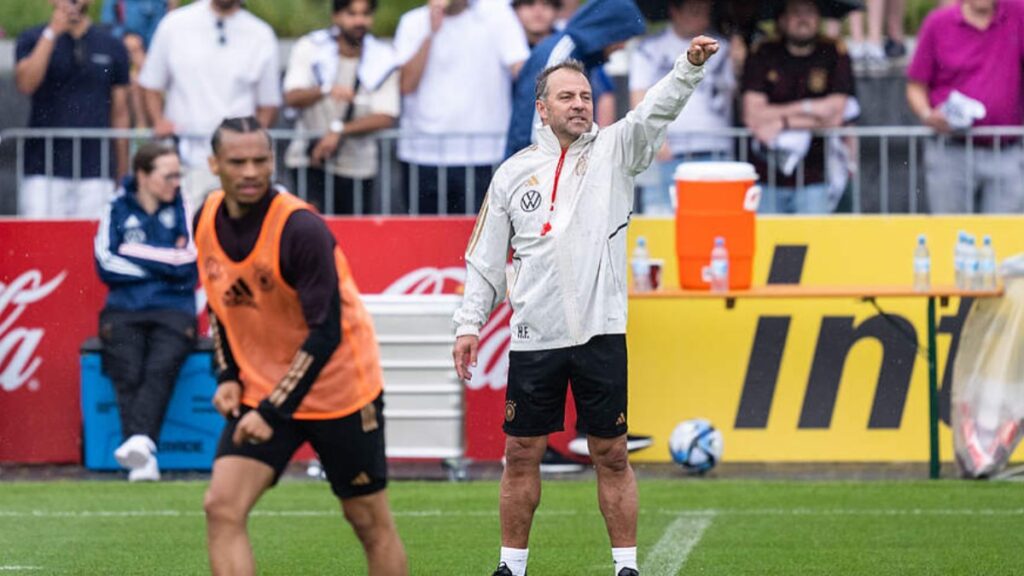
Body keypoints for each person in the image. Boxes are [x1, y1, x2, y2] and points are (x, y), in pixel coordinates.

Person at [452, 37, 720, 576]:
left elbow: (656, 109)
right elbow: (484, 259)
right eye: (567, 96)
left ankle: (626, 566)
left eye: (585, 95)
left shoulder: (617, 150)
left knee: (612, 454)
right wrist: (469, 324)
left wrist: (687, 68)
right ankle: (511, 566)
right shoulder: (511, 174)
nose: (579, 103)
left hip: (601, 333)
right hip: (534, 337)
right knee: (521, 454)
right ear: (542, 108)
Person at [193, 117, 407, 576]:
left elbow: (326, 331)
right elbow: (217, 304)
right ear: (214, 164)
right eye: (238, 161)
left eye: (260, 160)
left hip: (340, 391)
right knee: (222, 507)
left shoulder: (300, 228)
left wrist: (270, 412)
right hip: (264, 391)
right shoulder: (205, 217)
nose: (251, 171)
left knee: (368, 521)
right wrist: (228, 375)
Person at [93, 141, 197, 482]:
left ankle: (137, 447)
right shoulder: (117, 207)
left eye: (178, 175)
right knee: (128, 372)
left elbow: (189, 263)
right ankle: (143, 454)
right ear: (143, 175)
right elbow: (106, 263)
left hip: (174, 309)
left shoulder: (185, 205)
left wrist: (133, 251)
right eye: (168, 176)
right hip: (124, 310)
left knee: (160, 368)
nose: (176, 182)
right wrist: (163, 263)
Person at [140, 0, 281, 212]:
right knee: (186, 233)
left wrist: (249, 145)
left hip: (237, 164)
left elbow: (268, 105)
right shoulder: (174, 24)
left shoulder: (261, 33)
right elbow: (150, 84)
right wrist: (159, 121)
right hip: (184, 159)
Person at [394, 0, 529, 214]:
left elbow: (522, 72)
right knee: (425, 241)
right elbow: (406, 85)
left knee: (478, 239)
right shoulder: (412, 22)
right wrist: (430, 32)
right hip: (422, 155)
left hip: (484, 155)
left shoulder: (498, 15)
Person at [906, 0, 1024, 214]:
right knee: (950, 238)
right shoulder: (938, 23)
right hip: (950, 151)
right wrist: (927, 115)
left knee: (1005, 241)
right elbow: (916, 86)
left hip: (1005, 152)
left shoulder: (1018, 15)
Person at [15, 0, 130, 218]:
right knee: (40, 240)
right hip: (43, 167)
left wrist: (122, 172)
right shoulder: (32, 37)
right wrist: (51, 34)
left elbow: (120, 111)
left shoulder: (112, 44)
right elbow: (25, 84)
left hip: (96, 168)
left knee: (90, 243)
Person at [283, 0, 399, 215]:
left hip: (357, 166)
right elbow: (292, 96)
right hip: (309, 160)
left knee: (353, 235)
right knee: (308, 230)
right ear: (336, 16)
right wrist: (325, 90)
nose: (359, 21)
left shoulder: (382, 57)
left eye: (365, 14)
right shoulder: (311, 48)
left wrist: (338, 131)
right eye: (351, 13)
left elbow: (386, 115)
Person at [740, 0, 854, 214]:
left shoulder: (834, 52)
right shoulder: (763, 52)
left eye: (810, 12)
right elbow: (752, 114)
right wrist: (814, 111)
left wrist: (782, 120)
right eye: (796, 12)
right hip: (766, 175)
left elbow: (835, 115)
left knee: (815, 243)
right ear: (782, 19)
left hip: (815, 175)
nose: (803, 18)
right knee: (764, 243)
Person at [630, 0, 735, 214]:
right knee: (664, 224)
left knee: (715, 222)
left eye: (707, 12)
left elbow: (734, 90)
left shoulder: (724, 48)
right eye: (695, 11)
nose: (703, 18)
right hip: (668, 152)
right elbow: (638, 95)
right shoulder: (648, 48)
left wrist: (739, 61)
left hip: (715, 149)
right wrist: (654, 137)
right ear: (674, 11)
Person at [504, 0, 646, 158]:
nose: (622, 46)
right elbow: (536, 124)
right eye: (622, 37)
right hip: (539, 169)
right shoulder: (560, 55)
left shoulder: (578, 55)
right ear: (608, 29)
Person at [100, 0, 179, 47]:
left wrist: (172, 8)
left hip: (153, 56)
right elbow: (107, 28)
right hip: (125, 52)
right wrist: (125, 39)